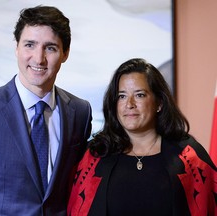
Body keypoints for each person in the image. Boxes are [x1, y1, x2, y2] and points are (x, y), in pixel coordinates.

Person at [0, 5, 92, 216]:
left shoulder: (80, 112)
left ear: (65, 53)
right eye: (30, 45)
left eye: (50, 48)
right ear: (17, 48)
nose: (39, 58)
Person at [67, 58, 217, 216]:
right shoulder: (94, 155)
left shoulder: (188, 157)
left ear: (159, 103)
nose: (129, 104)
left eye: (139, 95)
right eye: (122, 96)